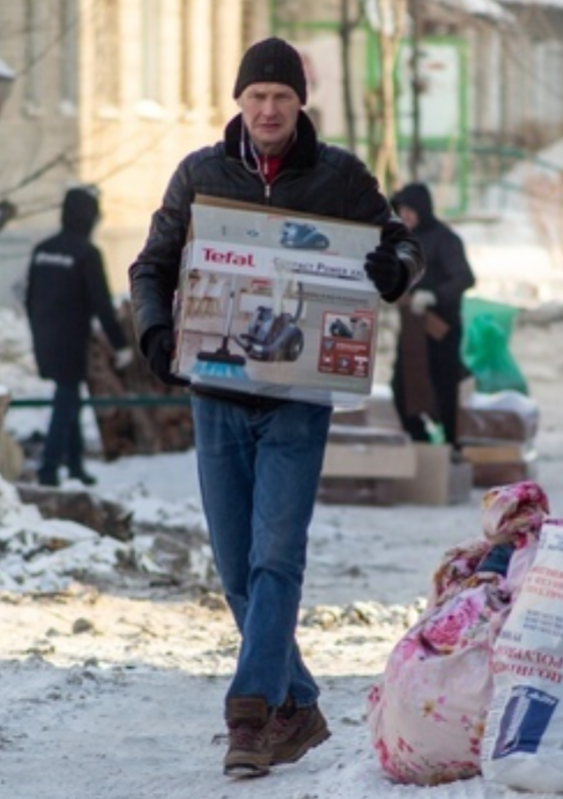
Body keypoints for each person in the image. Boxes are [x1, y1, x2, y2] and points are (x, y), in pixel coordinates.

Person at [128, 37, 423, 779]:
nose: (268, 109)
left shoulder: (340, 177)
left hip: (297, 399)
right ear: (239, 103)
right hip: (219, 396)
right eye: (256, 97)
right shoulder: (200, 174)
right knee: (235, 564)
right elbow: (152, 265)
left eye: (281, 98)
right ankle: (302, 704)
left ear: (299, 105)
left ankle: (251, 712)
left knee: (276, 555)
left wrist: (395, 270)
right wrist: (155, 329)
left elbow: (400, 251)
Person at [25, 186, 132, 487]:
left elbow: (29, 297)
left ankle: (74, 465)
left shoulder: (42, 250)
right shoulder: (86, 253)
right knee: (66, 397)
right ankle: (49, 468)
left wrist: (37, 331)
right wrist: (121, 345)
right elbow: (102, 303)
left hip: (44, 334)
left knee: (68, 394)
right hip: (71, 339)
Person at [389, 182, 475, 452]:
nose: (405, 216)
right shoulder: (403, 240)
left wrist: (434, 295)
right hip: (412, 328)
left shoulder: (445, 239)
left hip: (441, 328)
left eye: (410, 211)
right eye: (401, 211)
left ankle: (451, 446)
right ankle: (421, 442)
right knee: (401, 386)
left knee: (444, 387)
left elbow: (464, 277)